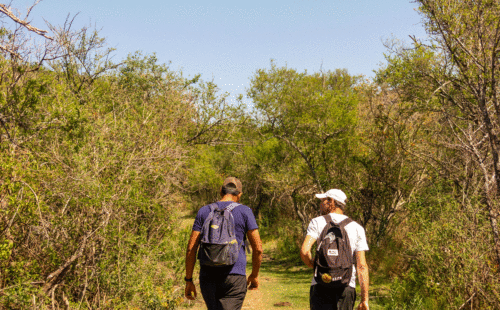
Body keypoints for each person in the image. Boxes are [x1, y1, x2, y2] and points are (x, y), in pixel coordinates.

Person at [184, 177, 263, 310]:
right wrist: (254, 275)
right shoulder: (245, 211)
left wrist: (189, 280)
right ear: (239, 194)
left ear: (221, 191)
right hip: (235, 276)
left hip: (208, 277)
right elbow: (258, 248)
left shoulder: (204, 211)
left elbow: (191, 248)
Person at [300, 189, 370, 310]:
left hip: (320, 283)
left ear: (331, 201)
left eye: (323, 200)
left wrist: (313, 264)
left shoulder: (317, 222)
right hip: (347, 286)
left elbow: (305, 251)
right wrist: (364, 299)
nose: (321, 204)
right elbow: (361, 266)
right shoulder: (357, 228)